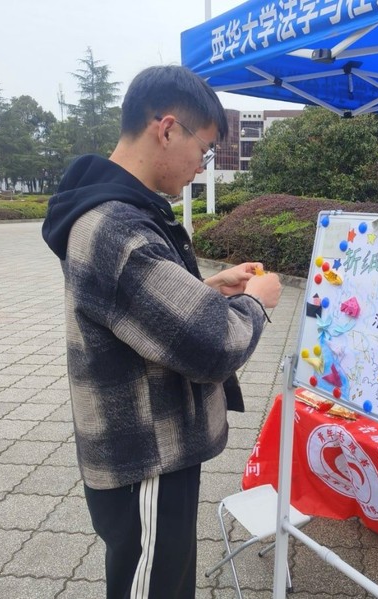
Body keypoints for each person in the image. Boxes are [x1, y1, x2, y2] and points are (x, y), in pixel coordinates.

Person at [41, 65, 282, 599]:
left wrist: (208, 287)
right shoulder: (117, 227)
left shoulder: (112, 211)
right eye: (205, 149)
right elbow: (212, 345)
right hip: (146, 455)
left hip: (145, 449)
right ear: (168, 129)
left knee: (162, 579)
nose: (201, 165)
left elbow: (133, 308)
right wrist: (255, 302)